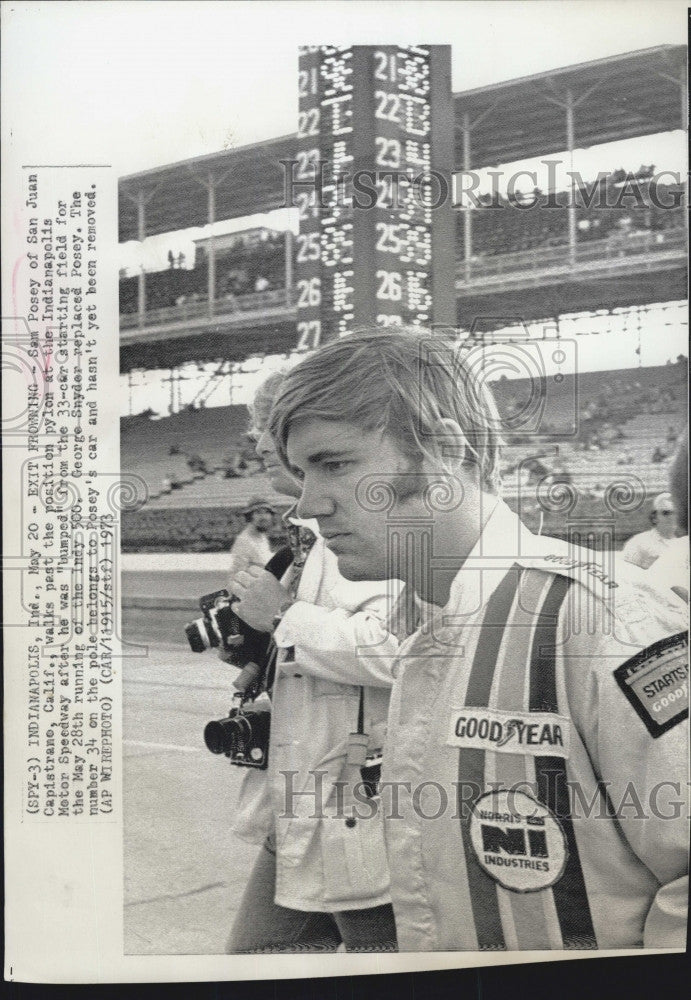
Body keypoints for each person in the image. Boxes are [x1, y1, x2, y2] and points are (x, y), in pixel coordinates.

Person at [269, 328, 688, 952]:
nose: (306, 504)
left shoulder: (600, 617)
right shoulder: (418, 617)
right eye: (302, 472)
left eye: (334, 464)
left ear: (444, 448)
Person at [223, 371, 402, 953]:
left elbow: (397, 653)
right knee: (255, 960)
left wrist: (280, 620)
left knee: (386, 960)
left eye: (262, 432)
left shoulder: (367, 532)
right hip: (302, 802)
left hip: (358, 806)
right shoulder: (301, 540)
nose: (255, 446)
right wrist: (255, 651)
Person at [622, 491, 679, 570]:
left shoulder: (683, 543)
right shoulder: (638, 542)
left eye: (676, 513)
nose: (672, 517)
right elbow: (626, 573)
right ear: (654, 517)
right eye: (666, 513)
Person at [227, 496, 275, 581]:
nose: (264, 517)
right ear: (250, 516)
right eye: (258, 513)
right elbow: (238, 575)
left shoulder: (262, 537)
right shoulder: (244, 541)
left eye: (267, 513)